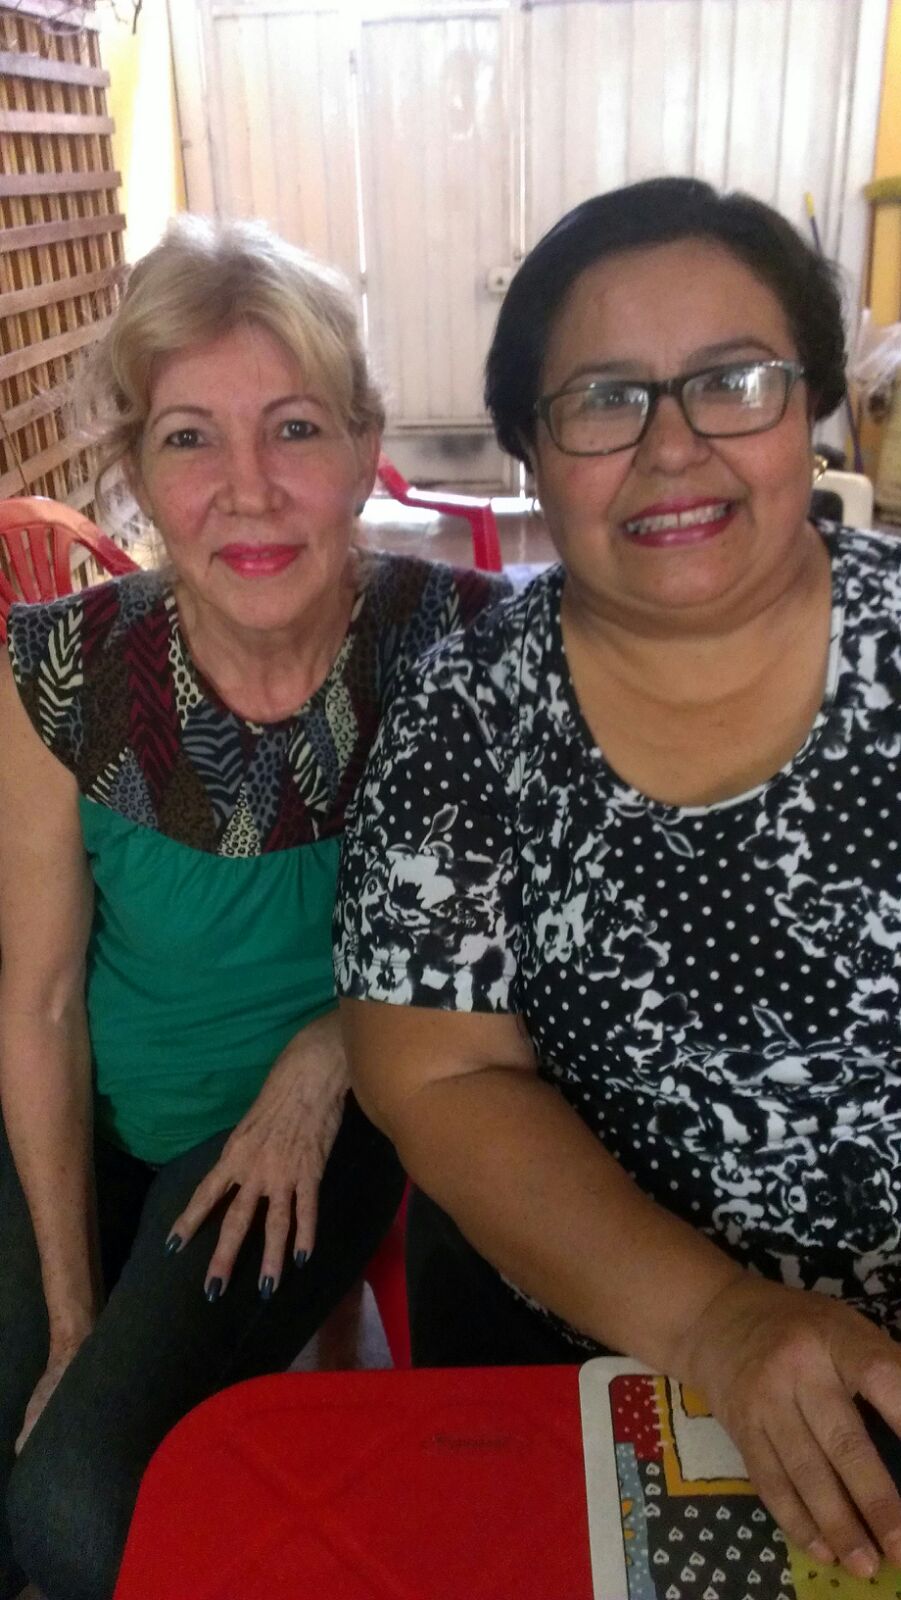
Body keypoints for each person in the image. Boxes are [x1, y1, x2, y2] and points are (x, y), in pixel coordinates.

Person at [336, 176, 901, 1579]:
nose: (673, 447)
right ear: (532, 452)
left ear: (815, 407)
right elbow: (434, 1074)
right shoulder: (464, 713)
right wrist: (718, 1323)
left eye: (734, 381)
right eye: (604, 401)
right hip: (596, 1361)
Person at [0, 215, 507, 1600]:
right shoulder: (59, 672)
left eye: (293, 429)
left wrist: (330, 1049)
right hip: (85, 1110)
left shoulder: (460, 649)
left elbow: (498, 947)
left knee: (78, 1513)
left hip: (301, 1135)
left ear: (363, 445)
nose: (246, 490)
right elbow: (40, 1003)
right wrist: (70, 1320)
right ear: (135, 475)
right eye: (189, 438)